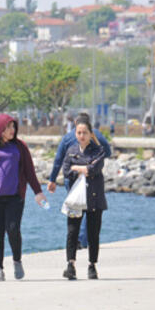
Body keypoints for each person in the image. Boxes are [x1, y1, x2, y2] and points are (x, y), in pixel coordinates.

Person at [0, 113, 46, 282]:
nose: (12, 130)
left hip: (15, 196)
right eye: (8, 127)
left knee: (13, 229)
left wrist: (38, 191)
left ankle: (16, 260)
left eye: (13, 126)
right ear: (0, 128)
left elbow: (29, 170)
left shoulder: (20, 147)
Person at [47, 112, 111, 249]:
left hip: (71, 178)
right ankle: (82, 240)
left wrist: (52, 179)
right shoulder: (96, 134)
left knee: (75, 206)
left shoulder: (67, 137)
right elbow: (108, 152)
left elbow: (58, 160)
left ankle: (74, 238)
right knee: (88, 207)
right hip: (91, 178)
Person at [61, 115, 107, 280]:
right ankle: (70, 264)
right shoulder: (71, 150)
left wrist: (78, 167)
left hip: (94, 197)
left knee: (93, 233)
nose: (81, 136)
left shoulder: (98, 150)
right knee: (72, 232)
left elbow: (94, 169)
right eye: (79, 132)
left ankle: (92, 265)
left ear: (90, 133)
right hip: (75, 198)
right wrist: (83, 168)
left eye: (85, 133)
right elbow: (66, 170)